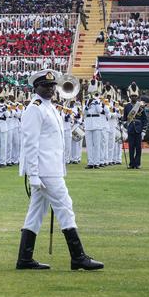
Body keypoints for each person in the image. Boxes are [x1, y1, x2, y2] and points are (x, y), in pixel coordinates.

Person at [16, 70, 103, 271]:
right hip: (45, 170)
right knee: (65, 206)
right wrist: (34, 174)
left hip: (51, 167)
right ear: (35, 88)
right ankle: (78, 256)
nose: (50, 89)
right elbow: (30, 144)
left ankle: (24, 258)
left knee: (35, 213)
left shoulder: (50, 107)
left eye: (52, 86)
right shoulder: (35, 108)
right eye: (45, 86)